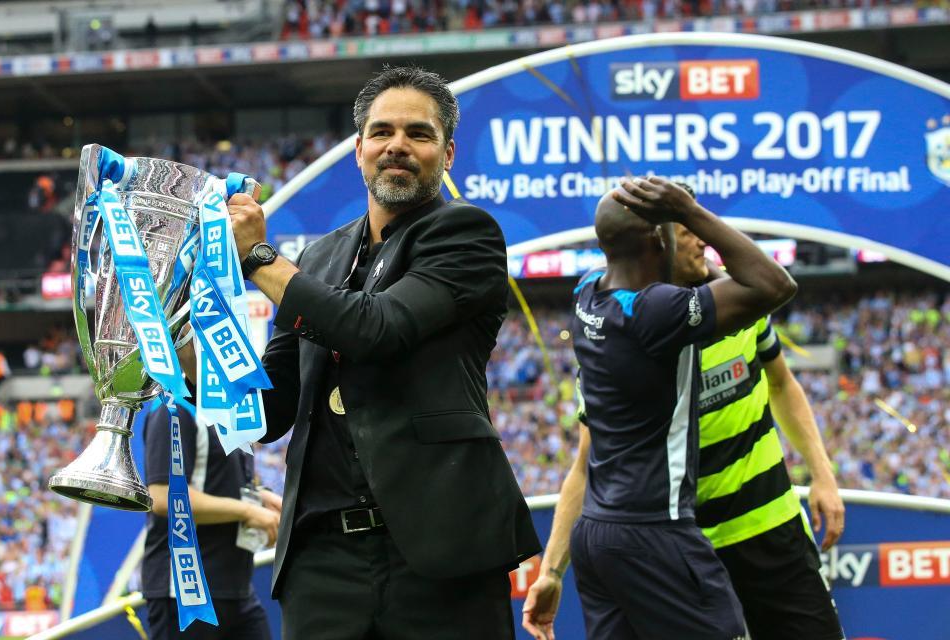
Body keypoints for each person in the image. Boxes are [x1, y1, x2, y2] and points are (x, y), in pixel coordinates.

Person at [221, 65, 540, 638]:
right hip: (322, 563)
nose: (398, 146)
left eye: (419, 134)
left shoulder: (466, 234)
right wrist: (180, 345)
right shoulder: (318, 258)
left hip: (441, 550)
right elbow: (266, 414)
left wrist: (257, 259)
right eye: (382, 132)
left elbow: (377, 329)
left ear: (447, 155)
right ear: (359, 150)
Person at [523, 177, 797, 640]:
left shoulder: (588, 292)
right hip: (655, 532)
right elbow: (774, 284)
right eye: (677, 231)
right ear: (659, 238)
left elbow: (583, 463)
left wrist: (551, 570)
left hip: (596, 535)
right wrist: (689, 211)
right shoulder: (654, 312)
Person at [672, 215, 846, 640]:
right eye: (685, 233)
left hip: (774, 525)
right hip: (690, 546)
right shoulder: (634, 330)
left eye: (700, 227)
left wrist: (823, 474)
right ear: (655, 247)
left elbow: (783, 383)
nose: (701, 242)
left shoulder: (742, 301)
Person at [142, 401, 282, 640]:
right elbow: (162, 495)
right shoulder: (174, 406)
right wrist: (247, 511)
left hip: (237, 587)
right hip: (186, 593)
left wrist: (259, 498)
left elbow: (218, 482)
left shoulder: (228, 407)